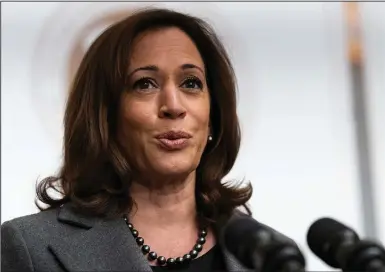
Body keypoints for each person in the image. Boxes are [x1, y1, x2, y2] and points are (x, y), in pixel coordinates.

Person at [1, 7, 253, 272]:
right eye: (145, 84)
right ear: (105, 116)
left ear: (213, 115)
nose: (173, 106)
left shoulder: (262, 253)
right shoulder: (31, 247)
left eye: (191, 83)